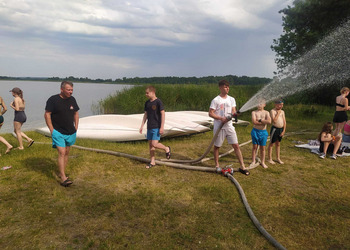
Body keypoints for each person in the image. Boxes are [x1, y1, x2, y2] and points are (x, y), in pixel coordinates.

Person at [209, 80, 249, 175]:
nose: (227, 88)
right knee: (217, 146)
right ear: (220, 88)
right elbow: (210, 113)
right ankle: (217, 166)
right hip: (220, 127)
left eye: (228, 87)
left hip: (229, 126)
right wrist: (220, 118)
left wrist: (235, 114)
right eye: (225, 87)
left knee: (236, 145)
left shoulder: (231, 99)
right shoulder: (216, 100)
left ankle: (242, 166)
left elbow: (233, 111)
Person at [44, 81, 79, 187]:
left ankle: (61, 172)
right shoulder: (53, 100)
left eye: (72, 89)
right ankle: (63, 177)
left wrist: (76, 127)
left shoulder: (72, 100)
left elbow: (76, 113)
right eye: (68, 90)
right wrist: (51, 129)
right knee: (62, 152)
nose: (71, 92)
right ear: (62, 89)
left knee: (67, 152)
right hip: (58, 131)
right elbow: (47, 114)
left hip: (70, 131)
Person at [139, 86, 171, 169]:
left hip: (156, 127)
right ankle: (152, 162)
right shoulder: (147, 103)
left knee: (154, 144)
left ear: (152, 92)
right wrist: (142, 126)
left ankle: (166, 148)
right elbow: (145, 115)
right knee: (151, 146)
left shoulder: (158, 102)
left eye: (147, 93)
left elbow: (163, 114)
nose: (146, 94)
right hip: (149, 126)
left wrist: (162, 127)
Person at [250, 99, 271, 168]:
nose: (259, 105)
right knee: (255, 147)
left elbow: (269, 121)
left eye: (261, 103)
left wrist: (260, 120)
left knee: (263, 148)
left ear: (264, 105)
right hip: (255, 131)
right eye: (258, 103)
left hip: (263, 132)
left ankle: (262, 162)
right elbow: (254, 122)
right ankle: (253, 161)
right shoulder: (254, 112)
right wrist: (264, 122)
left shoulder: (267, 112)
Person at [268, 99, 286, 165]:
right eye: (280, 105)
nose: (281, 106)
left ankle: (278, 158)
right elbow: (274, 121)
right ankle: (270, 159)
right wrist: (278, 113)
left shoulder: (283, 112)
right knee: (271, 143)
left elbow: (284, 122)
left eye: (282, 105)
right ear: (276, 104)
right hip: (275, 129)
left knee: (278, 144)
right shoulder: (272, 111)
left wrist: (284, 130)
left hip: (280, 129)